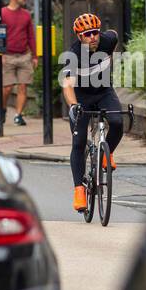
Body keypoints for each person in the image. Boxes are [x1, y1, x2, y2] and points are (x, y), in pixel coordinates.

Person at [61, 12, 122, 213]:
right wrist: (73, 105)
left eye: (95, 32)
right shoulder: (74, 55)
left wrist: (110, 57)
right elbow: (67, 85)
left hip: (104, 92)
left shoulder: (108, 40)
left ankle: (108, 153)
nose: (93, 37)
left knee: (118, 122)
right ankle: (79, 190)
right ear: (79, 36)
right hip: (81, 98)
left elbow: (114, 34)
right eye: (87, 34)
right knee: (78, 142)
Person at [0, 0, 37, 125]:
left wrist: (34, 56)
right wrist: (1, 54)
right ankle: (2, 108)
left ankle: (18, 115)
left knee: (23, 86)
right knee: (7, 88)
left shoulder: (26, 14)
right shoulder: (2, 13)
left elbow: (31, 36)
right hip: (7, 56)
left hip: (24, 56)